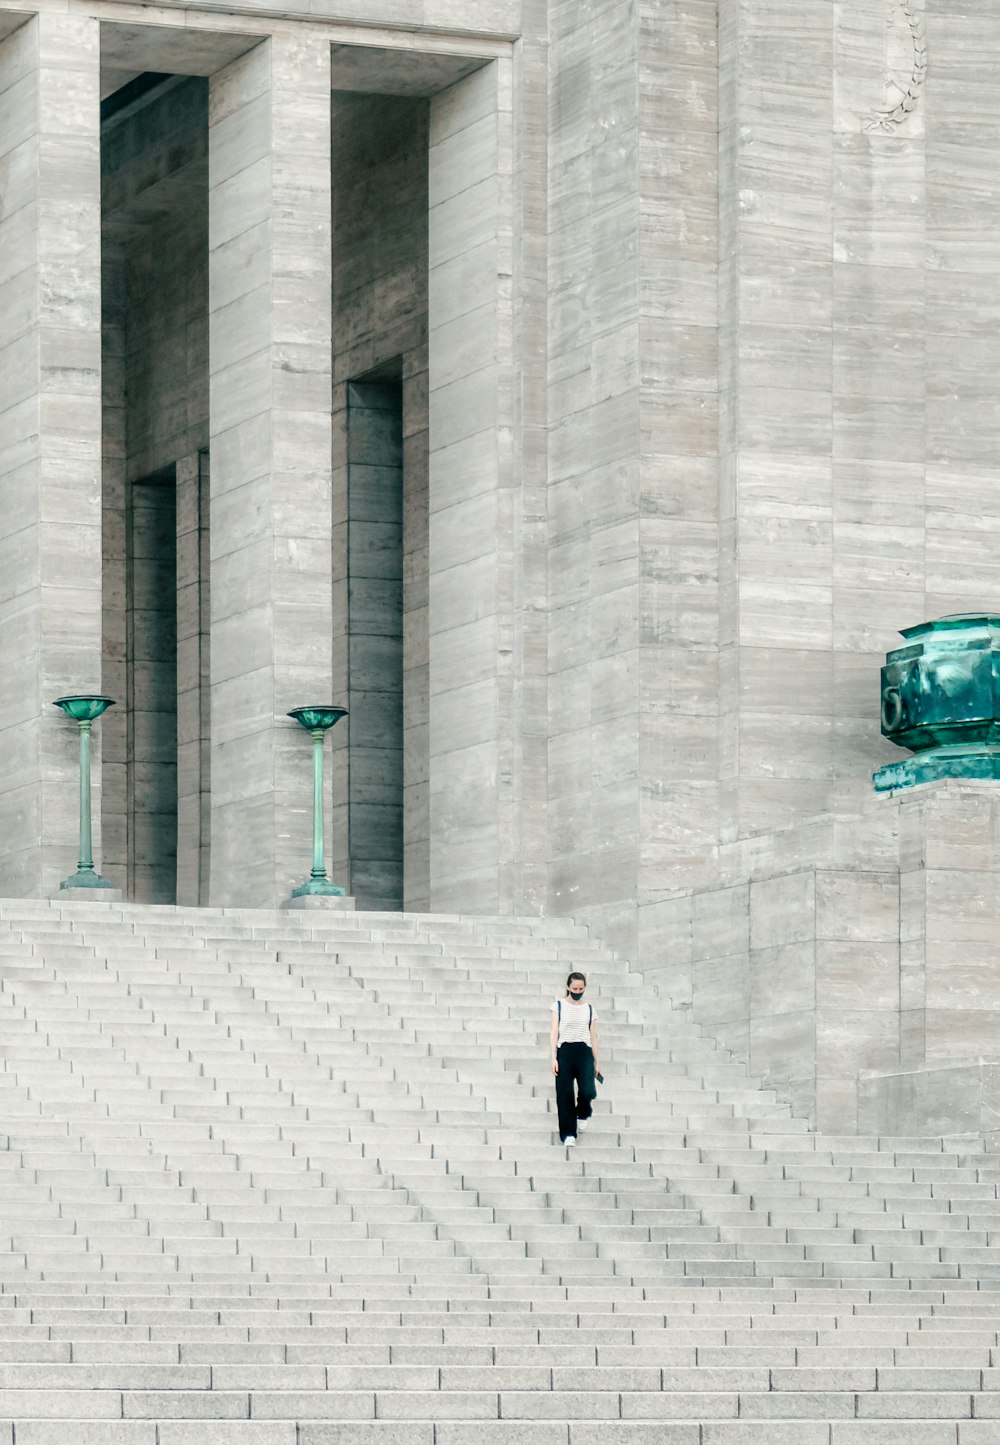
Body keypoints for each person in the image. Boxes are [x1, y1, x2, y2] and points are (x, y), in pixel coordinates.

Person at [549, 971, 600, 1146]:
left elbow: (594, 1037)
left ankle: (583, 1113)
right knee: (564, 1094)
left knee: (588, 1090)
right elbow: (554, 1032)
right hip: (565, 1050)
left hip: (584, 1051)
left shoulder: (590, 1009)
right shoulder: (559, 1006)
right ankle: (568, 1134)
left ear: (585, 988)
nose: (578, 991)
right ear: (568, 988)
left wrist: (597, 1062)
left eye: (581, 988)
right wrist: (553, 1057)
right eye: (574, 988)